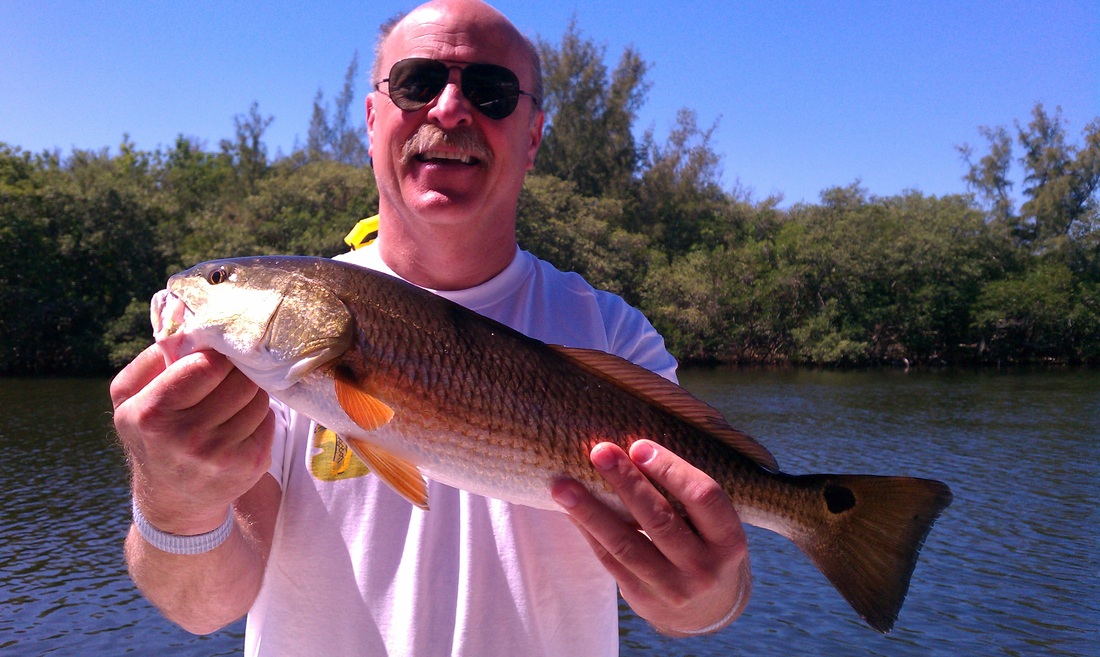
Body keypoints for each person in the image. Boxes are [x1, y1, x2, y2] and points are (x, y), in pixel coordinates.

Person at [110, 1, 752, 655]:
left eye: (491, 91)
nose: (449, 110)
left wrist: (704, 594)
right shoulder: (259, 369)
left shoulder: (615, 335)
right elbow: (205, 606)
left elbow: (696, 605)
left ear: (532, 137)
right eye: (417, 83)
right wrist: (174, 501)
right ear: (370, 120)